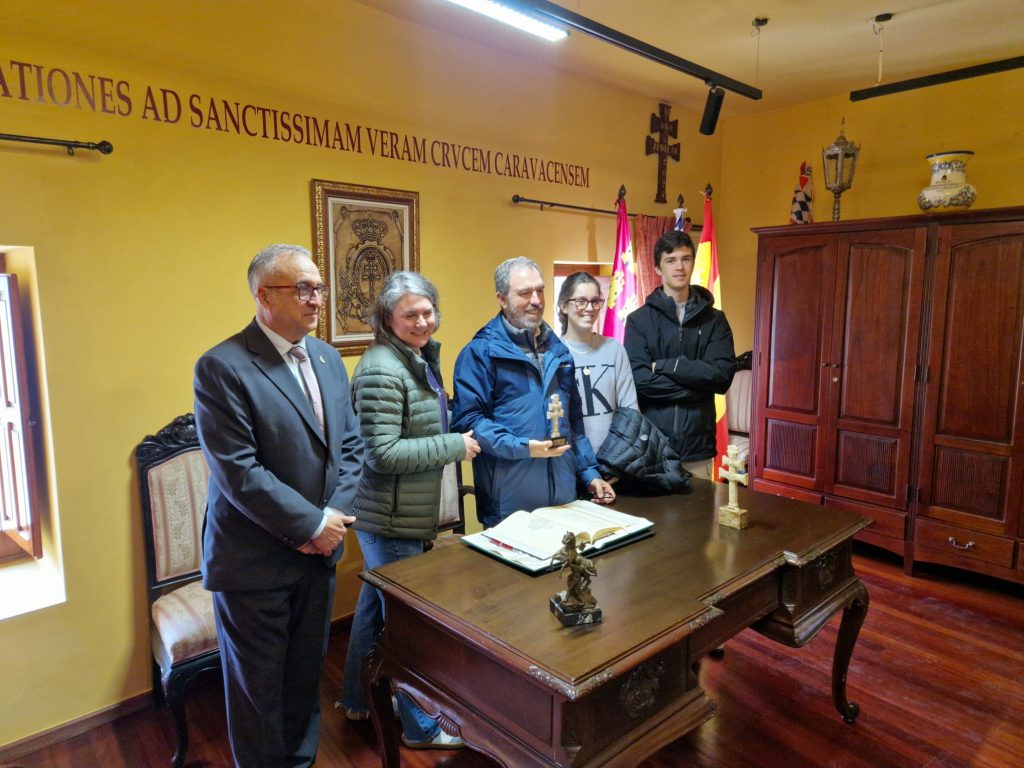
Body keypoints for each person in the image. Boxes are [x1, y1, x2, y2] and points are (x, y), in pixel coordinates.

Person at [194, 244, 364, 767]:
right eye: (303, 289)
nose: (316, 299)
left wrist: (330, 522)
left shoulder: (327, 359)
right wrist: (311, 524)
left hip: (319, 555)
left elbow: (350, 447)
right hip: (255, 562)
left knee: (303, 679)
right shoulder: (223, 366)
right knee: (258, 694)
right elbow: (238, 471)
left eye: (319, 288)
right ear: (264, 296)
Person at [338, 271, 479, 750]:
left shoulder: (413, 357)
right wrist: (453, 445)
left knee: (373, 611)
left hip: (399, 513)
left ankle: (358, 700)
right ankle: (420, 727)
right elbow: (381, 453)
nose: (422, 322)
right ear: (387, 318)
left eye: (427, 311)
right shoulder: (382, 368)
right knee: (407, 627)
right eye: (410, 315)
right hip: (390, 518)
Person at [451, 256, 615, 528]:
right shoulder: (479, 353)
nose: (536, 300)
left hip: (563, 500)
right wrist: (525, 448)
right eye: (525, 293)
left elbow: (573, 422)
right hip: (509, 506)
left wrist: (589, 473)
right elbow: (469, 423)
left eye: (540, 290)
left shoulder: (559, 351)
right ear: (502, 299)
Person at [623, 230, 737, 480]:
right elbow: (640, 382)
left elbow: (721, 377)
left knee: (701, 507)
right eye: (671, 260)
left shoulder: (715, 320)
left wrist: (667, 366)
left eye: (686, 259)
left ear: (693, 263)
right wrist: (698, 389)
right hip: (652, 448)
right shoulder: (638, 321)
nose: (679, 267)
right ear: (657, 268)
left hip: (698, 448)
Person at [555, 271, 638, 456]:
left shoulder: (614, 350)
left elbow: (630, 411)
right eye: (581, 301)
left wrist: (617, 459)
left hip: (613, 459)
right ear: (564, 306)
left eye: (595, 301)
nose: (589, 308)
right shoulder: (553, 353)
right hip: (569, 461)